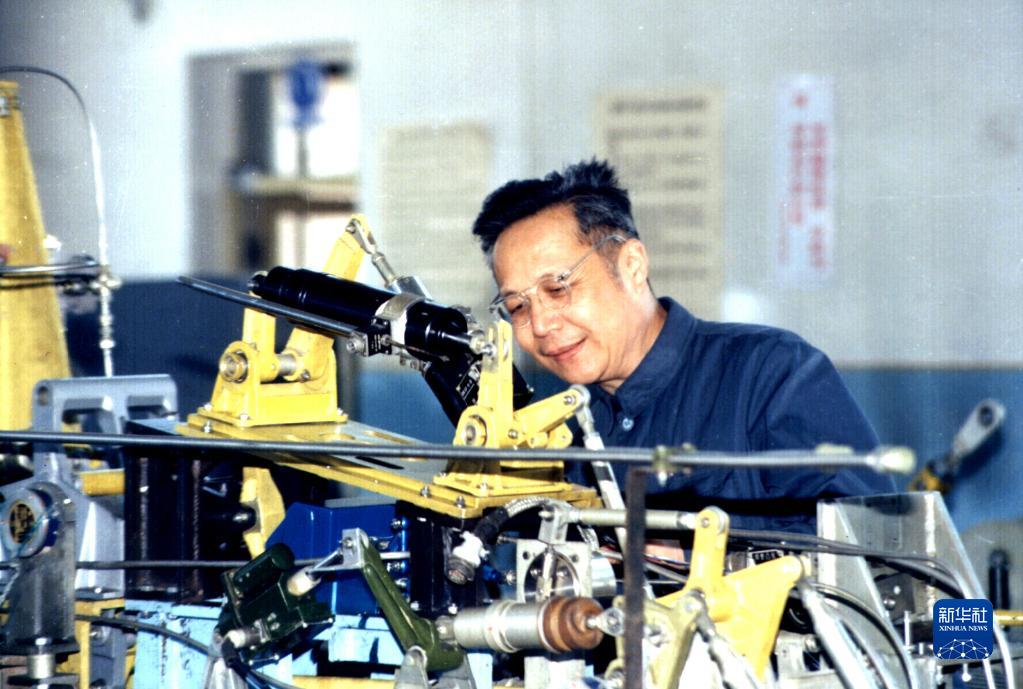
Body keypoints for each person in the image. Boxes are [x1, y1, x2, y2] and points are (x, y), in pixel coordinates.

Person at [471, 159, 894, 532]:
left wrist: (689, 551)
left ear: (632, 266)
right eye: (517, 307)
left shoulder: (771, 372)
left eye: (558, 288)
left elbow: (866, 535)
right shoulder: (562, 432)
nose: (540, 324)